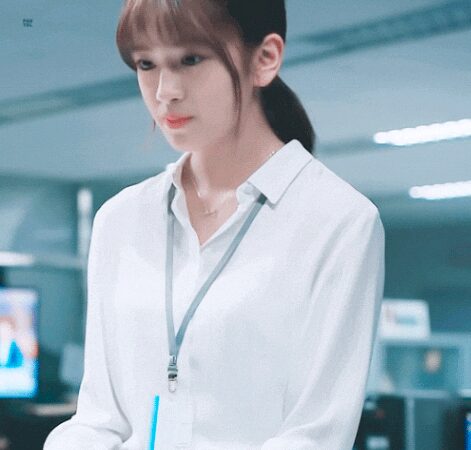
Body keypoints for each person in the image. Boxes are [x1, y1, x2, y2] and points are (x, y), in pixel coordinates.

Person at [44, 0, 385, 449]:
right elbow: (99, 419)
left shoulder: (339, 221)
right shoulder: (120, 220)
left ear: (265, 59)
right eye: (146, 64)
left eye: (190, 59)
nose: (165, 91)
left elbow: (314, 436)